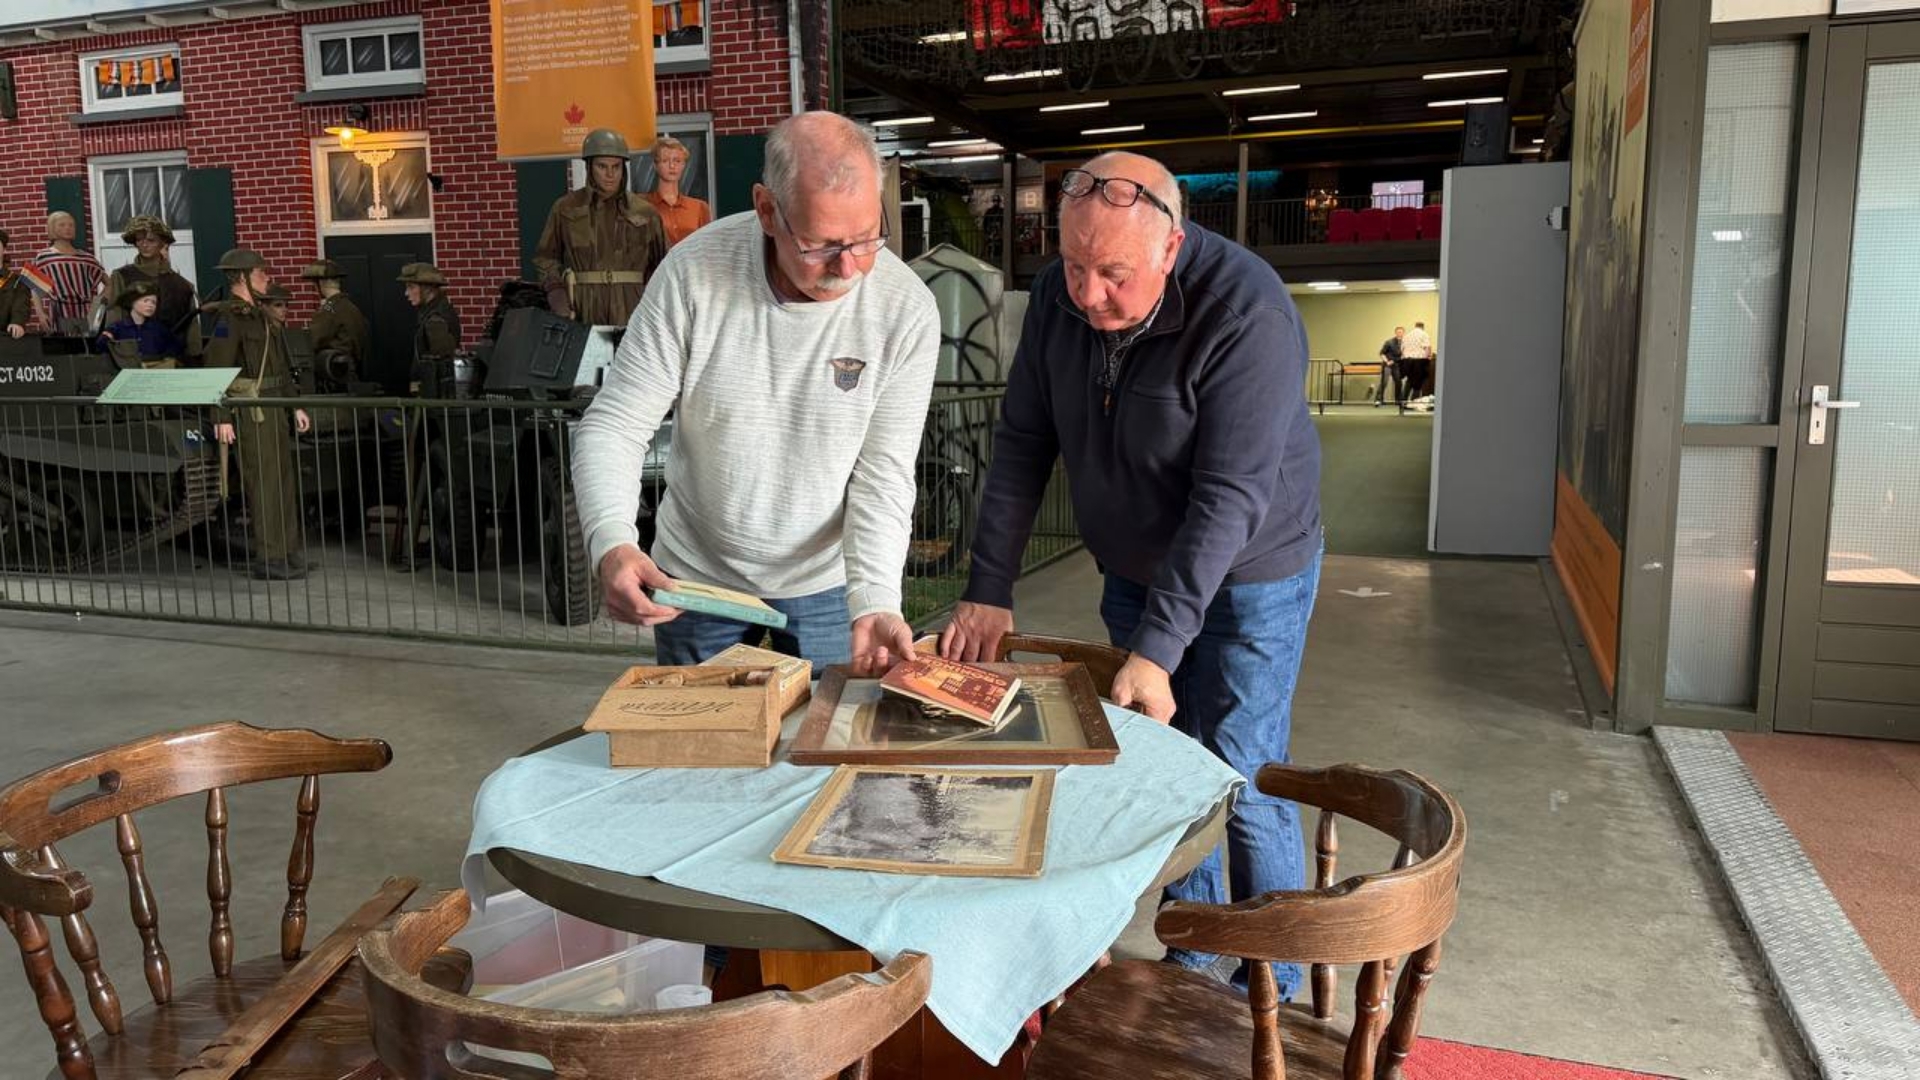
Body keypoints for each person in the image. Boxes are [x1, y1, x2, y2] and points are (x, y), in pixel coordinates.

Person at [939, 151, 1323, 997]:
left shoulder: (1246, 309)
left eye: (1111, 273)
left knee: (1242, 769)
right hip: (1133, 563)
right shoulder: (1055, 298)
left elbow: (1229, 496)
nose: (1086, 294)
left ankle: (1274, 981)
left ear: (1172, 247)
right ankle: (1196, 947)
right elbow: (1022, 443)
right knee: (1166, 767)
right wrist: (989, 583)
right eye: (1072, 265)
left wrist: (1159, 643)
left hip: (1252, 571)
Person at [572, 110, 940, 674]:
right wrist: (613, 542)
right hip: (696, 576)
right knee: (697, 750)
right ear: (767, 209)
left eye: (867, 238)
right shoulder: (692, 274)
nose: (851, 268)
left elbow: (883, 472)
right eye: (821, 244)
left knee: (821, 752)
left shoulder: (904, 307)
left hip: (826, 585)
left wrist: (874, 598)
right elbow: (616, 423)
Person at [205, 248, 310, 581]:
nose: (267, 277)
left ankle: (287, 551)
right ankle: (269, 556)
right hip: (252, 412)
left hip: (274, 405)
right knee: (263, 483)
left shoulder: (261, 317)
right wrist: (220, 416)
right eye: (260, 273)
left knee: (282, 480)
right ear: (241, 278)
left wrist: (295, 405)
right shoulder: (229, 320)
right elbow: (216, 370)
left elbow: (281, 366)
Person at [533, 128, 669, 326]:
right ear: (589, 167)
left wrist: (656, 304)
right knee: (586, 356)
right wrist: (556, 290)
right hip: (582, 307)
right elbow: (545, 257)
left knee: (630, 357)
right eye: (602, 166)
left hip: (633, 306)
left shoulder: (645, 213)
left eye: (616, 166)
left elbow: (664, 263)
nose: (610, 174)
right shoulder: (566, 208)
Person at [103, 216, 202, 361]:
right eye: (139, 240)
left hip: (174, 361)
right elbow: (114, 315)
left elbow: (192, 329)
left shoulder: (182, 285)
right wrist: (115, 352)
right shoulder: (122, 276)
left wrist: (195, 357)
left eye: (151, 240)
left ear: (162, 243)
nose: (144, 245)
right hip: (133, 358)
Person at [29, 212, 105, 336]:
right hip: (59, 311)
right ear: (52, 228)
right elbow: (34, 286)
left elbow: (109, 284)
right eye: (62, 225)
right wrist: (40, 313)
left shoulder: (86, 257)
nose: (67, 228)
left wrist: (96, 305)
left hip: (85, 312)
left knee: (86, 348)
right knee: (63, 349)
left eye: (71, 225)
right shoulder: (44, 256)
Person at [302, 259, 371, 391]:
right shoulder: (351, 308)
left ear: (321, 283)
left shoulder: (328, 310)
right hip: (351, 373)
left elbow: (311, 341)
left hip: (334, 376)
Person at [399, 263, 460, 397]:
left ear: (428, 289)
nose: (406, 293)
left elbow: (443, 366)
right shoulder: (429, 314)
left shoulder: (436, 320)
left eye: (411, 287)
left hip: (435, 397)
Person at [643, 134, 713, 248]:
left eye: (677, 160)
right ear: (656, 165)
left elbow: (708, 247)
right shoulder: (644, 205)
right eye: (665, 160)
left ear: (683, 165)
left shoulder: (699, 207)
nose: (672, 166)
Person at [98, 280, 186, 366]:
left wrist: (164, 360)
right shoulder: (117, 328)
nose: (150, 305)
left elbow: (175, 347)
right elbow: (101, 348)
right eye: (145, 301)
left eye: (154, 302)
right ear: (132, 302)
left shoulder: (159, 329)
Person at [0, 230, 33, 339]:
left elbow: (21, 305)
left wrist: (17, 322)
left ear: (4, 249)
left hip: (5, 338)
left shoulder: (17, 282)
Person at [1400, 319, 1434, 405]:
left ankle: (1403, 401)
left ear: (1415, 326)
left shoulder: (1407, 335)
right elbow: (1427, 347)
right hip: (1419, 360)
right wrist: (1428, 357)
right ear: (1422, 327)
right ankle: (1414, 402)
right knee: (1418, 382)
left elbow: (1402, 349)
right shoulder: (1424, 334)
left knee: (1409, 381)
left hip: (1407, 361)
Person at [1375, 324, 1405, 407]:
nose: (1400, 333)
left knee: (1399, 382)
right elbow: (1381, 353)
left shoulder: (1404, 343)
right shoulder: (1389, 342)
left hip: (1397, 365)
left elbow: (1403, 356)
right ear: (1395, 333)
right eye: (1398, 332)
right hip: (1387, 365)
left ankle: (1398, 401)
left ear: (1403, 333)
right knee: (1384, 382)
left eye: (1401, 332)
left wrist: (1397, 360)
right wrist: (1387, 361)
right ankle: (1378, 400)